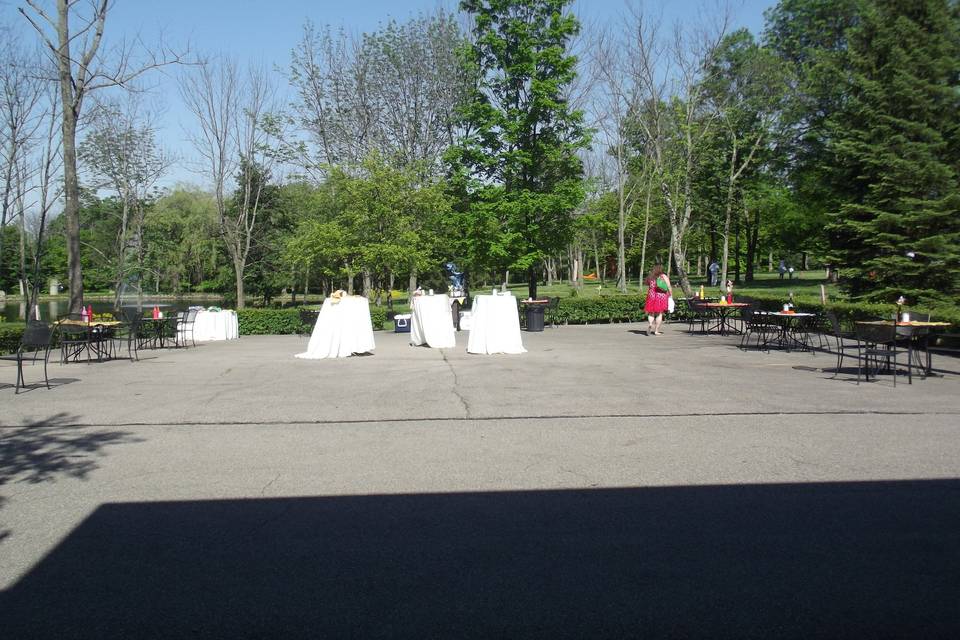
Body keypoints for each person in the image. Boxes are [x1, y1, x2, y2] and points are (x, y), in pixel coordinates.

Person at [644, 264, 672, 336]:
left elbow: (648, 284)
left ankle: (650, 324)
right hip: (661, 296)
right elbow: (668, 286)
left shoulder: (650, 277)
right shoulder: (663, 276)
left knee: (651, 312)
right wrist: (671, 295)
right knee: (659, 313)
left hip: (651, 295)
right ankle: (656, 331)